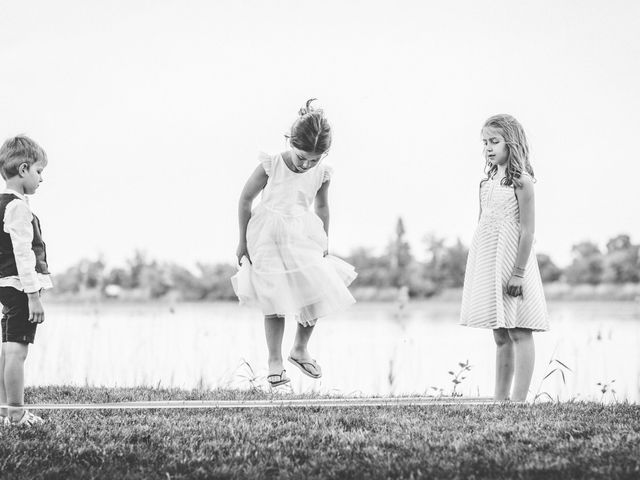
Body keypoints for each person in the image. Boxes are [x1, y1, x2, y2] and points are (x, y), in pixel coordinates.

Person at [232, 99, 356, 387]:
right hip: (266, 237)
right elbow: (245, 199)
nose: (307, 164)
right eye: (302, 157)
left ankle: (300, 349)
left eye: (315, 159)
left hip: (302, 235)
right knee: (274, 299)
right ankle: (274, 360)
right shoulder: (271, 164)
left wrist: (324, 239)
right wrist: (241, 241)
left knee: (317, 289)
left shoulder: (322, 174)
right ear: (290, 141)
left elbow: (322, 208)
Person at [460, 114, 548, 402]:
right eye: (485, 142)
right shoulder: (486, 182)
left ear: (511, 143)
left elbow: (527, 231)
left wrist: (518, 272)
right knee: (500, 335)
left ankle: (519, 401)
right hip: (491, 261)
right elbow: (483, 225)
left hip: (514, 262)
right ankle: (500, 400)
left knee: (520, 331)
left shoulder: (522, 182)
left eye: (494, 141)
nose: (488, 147)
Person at [0, 135, 52, 426]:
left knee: (7, 348)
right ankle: (17, 414)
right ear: (23, 170)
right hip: (20, 288)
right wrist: (33, 295)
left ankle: (4, 410)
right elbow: (23, 254)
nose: (41, 179)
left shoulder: (2, 203)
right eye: (39, 171)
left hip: (6, 285)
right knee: (17, 352)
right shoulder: (18, 207)